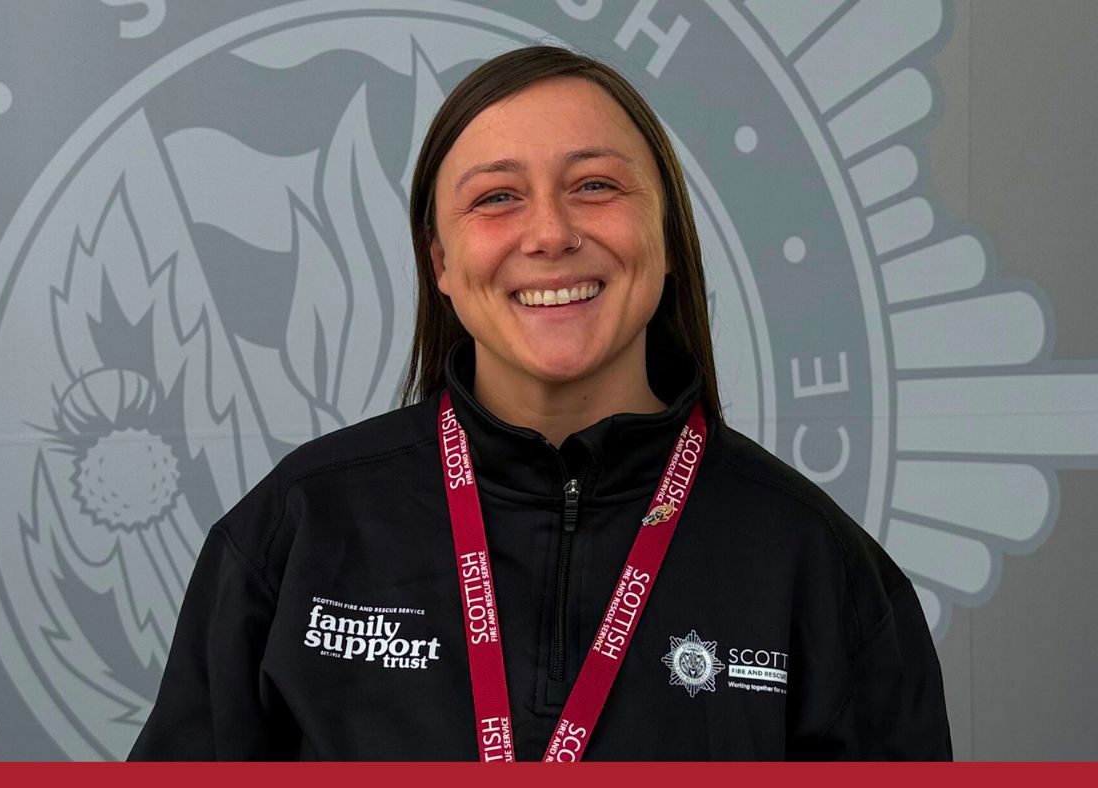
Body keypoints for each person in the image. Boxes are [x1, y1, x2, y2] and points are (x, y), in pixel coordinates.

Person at [128, 45, 951, 761]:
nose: (550, 233)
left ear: (666, 239)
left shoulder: (816, 564)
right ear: (440, 260)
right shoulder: (297, 529)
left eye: (595, 185)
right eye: (496, 197)